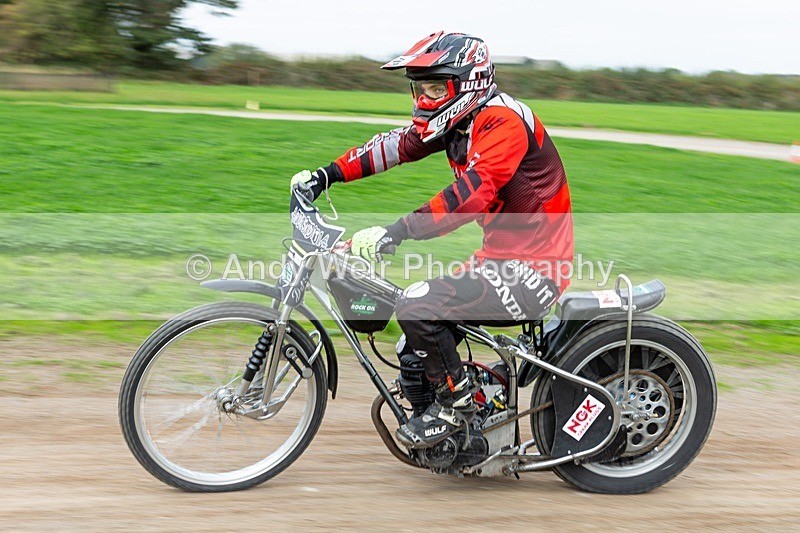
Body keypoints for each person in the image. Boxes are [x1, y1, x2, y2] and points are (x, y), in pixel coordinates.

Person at [290, 31, 574, 449]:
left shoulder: (501, 121)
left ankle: (458, 411)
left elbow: (471, 197)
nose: (425, 97)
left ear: (471, 82)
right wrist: (325, 175)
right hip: (498, 260)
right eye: (420, 87)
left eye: (436, 87)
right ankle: (455, 438)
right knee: (412, 348)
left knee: (417, 306)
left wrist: (396, 232)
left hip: (534, 270)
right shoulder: (460, 117)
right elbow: (395, 146)